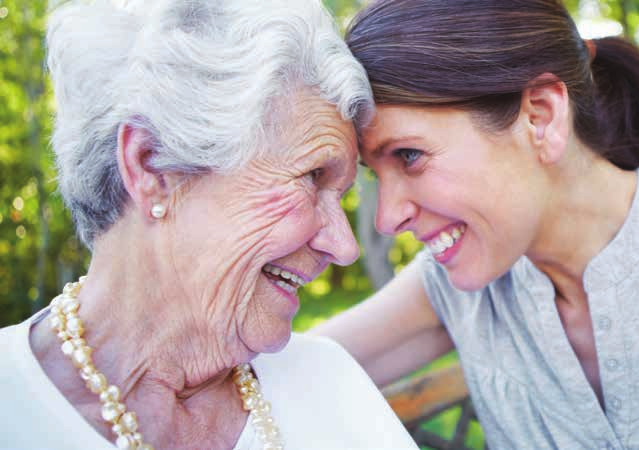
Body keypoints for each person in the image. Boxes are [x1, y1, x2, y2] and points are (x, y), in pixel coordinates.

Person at [312, 0, 639, 448]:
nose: (388, 218)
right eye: (377, 173)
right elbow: (279, 371)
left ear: (541, 116)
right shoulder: (457, 291)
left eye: (409, 156)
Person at [0, 1, 418, 449]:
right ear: (153, 168)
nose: (344, 246)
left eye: (343, 195)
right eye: (312, 177)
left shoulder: (328, 380)